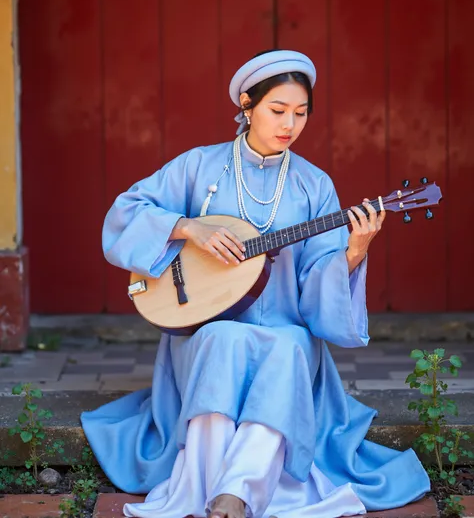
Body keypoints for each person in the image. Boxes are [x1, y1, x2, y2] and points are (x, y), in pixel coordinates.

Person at [81, 50, 430, 518]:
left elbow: (318, 288)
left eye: (301, 113)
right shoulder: (198, 168)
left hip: (287, 329)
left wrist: (354, 251)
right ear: (247, 105)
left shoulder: (314, 186)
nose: (290, 124)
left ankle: (237, 490)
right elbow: (124, 216)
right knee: (223, 339)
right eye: (277, 110)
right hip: (206, 326)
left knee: (287, 348)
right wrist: (187, 227)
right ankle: (202, 481)